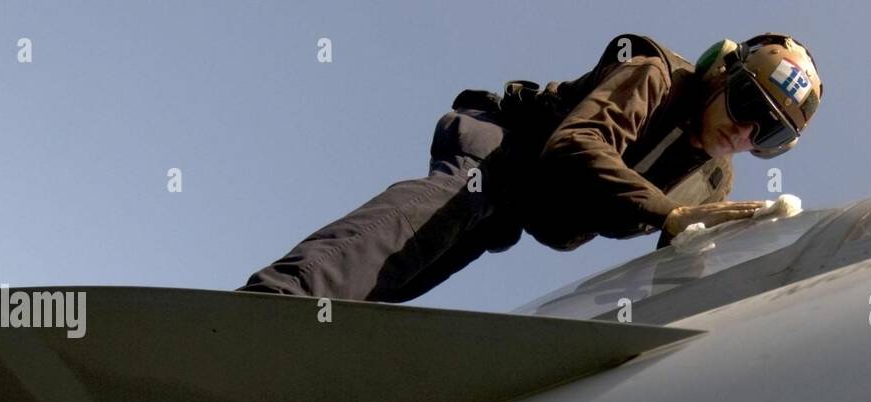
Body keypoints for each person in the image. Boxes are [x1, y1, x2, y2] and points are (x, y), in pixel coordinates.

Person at [239, 32, 823, 304]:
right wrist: (670, 215)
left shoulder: (713, 183)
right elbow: (576, 146)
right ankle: (274, 305)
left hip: (522, 210)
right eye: (748, 105)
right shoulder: (657, 76)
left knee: (402, 281)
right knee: (453, 205)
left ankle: (308, 338)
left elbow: (680, 267)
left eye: (767, 132)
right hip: (503, 152)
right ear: (720, 73)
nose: (745, 132)